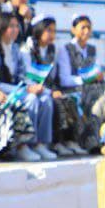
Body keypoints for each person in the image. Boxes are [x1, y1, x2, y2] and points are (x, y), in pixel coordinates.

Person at [0, 11, 56, 162]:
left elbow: (23, 76)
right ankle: (22, 145)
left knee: (45, 98)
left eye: (17, 26)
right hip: (3, 92)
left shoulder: (16, 49)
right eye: (11, 26)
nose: (16, 30)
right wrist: (25, 90)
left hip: (19, 90)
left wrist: (33, 87)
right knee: (31, 100)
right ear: (2, 28)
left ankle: (39, 143)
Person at [58, 14, 105, 153]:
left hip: (90, 89)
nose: (86, 31)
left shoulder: (92, 49)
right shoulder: (66, 49)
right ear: (73, 29)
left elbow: (96, 70)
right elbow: (64, 78)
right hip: (74, 89)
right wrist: (86, 79)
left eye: (88, 27)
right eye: (83, 27)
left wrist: (95, 77)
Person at [22, 16, 80, 158]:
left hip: (47, 88)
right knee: (46, 101)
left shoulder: (53, 49)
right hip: (30, 88)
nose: (52, 35)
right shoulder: (27, 49)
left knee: (68, 99)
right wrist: (48, 91)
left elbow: (54, 76)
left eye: (54, 31)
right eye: (48, 30)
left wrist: (52, 90)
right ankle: (35, 143)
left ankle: (56, 142)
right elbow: (26, 76)